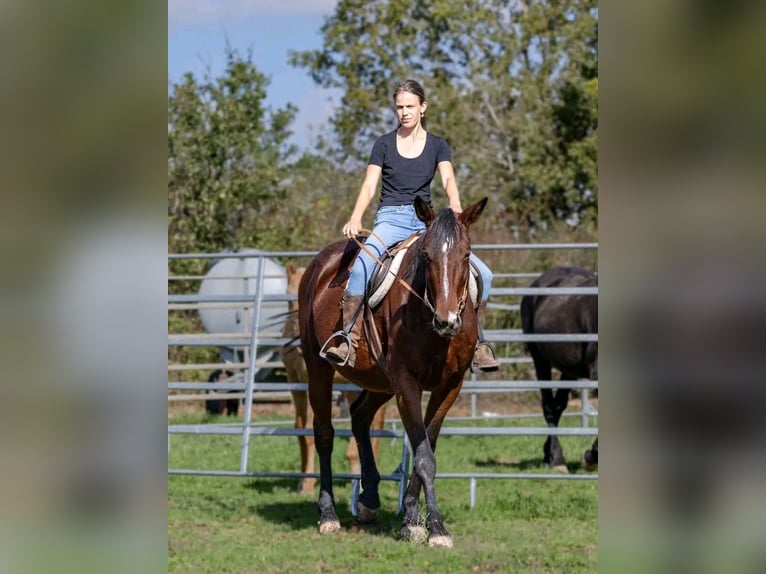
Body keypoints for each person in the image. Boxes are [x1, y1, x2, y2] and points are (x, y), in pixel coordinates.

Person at [324, 79, 499, 372]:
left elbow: (448, 179)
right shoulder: (383, 144)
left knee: (486, 274)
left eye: (409, 107)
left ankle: (479, 342)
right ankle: (347, 339)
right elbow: (369, 185)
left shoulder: (437, 146)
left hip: (425, 222)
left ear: (423, 108)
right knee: (363, 269)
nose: (404, 112)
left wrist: (455, 204)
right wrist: (356, 217)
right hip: (390, 219)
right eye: (399, 107)